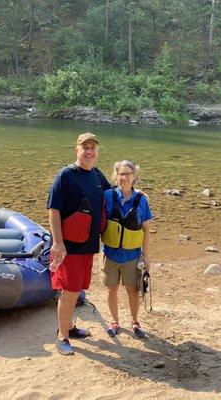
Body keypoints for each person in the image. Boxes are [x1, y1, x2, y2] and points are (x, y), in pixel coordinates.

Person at [47, 132, 111, 355]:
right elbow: (54, 210)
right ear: (77, 150)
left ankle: (71, 328)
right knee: (69, 291)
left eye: (93, 147)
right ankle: (62, 336)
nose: (90, 151)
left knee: (78, 289)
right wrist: (57, 243)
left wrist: (136, 194)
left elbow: (113, 194)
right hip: (69, 247)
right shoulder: (65, 175)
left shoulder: (96, 175)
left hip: (89, 245)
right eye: (85, 148)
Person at [100, 160, 152, 339]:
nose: (124, 177)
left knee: (132, 290)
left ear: (134, 177)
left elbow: (146, 229)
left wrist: (146, 255)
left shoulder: (142, 200)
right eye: (121, 174)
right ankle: (114, 321)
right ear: (116, 176)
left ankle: (135, 321)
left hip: (132, 256)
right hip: (110, 255)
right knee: (111, 289)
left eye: (128, 174)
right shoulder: (107, 196)